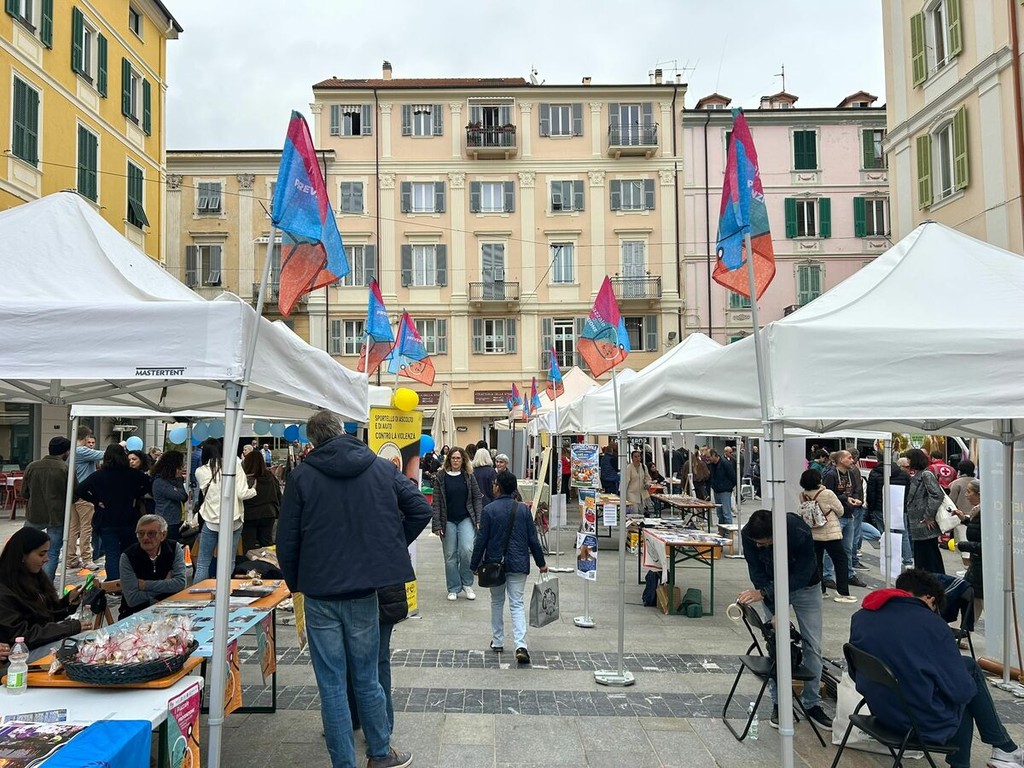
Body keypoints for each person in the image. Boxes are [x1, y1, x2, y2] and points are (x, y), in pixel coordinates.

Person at [278, 409, 431, 768]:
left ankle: (344, 763)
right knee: (367, 677)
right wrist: (389, 548)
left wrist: (297, 582)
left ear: (314, 440)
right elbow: (419, 510)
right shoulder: (380, 468)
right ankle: (379, 753)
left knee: (332, 684)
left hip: (320, 591)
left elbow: (286, 540)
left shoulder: (302, 477)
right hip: (363, 588)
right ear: (342, 431)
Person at [849, 569, 1024, 768]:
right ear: (929, 598)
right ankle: (1001, 749)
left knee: (965, 672)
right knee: (966, 683)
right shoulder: (932, 625)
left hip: (880, 709)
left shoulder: (862, 616)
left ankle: (1002, 750)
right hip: (916, 722)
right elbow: (961, 691)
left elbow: (856, 672)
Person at [737, 508, 832, 731]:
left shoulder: (798, 530)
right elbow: (756, 571)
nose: (758, 546)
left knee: (812, 645)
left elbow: (804, 572)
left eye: (763, 543)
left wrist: (766, 592)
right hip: (770, 586)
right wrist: (774, 609)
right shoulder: (748, 534)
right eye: (756, 542)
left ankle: (811, 703)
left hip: (807, 587)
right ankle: (779, 704)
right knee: (776, 645)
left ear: (774, 536)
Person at [470, 470, 547, 665]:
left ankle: (497, 640)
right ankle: (521, 645)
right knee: (517, 603)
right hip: (518, 562)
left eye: (495, 484)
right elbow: (533, 539)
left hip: (495, 563)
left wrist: (474, 564)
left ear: (498, 487)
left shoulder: (489, 510)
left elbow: (481, 540)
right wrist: (541, 563)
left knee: (497, 602)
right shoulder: (523, 510)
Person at [75, 444, 150, 582]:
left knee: (111, 554)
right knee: (129, 552)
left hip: (106, 519)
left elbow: (80, 489)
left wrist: (96, 500)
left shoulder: (98, 475)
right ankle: (129, 579)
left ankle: (114, 582)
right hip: (128, 518)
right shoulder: (133, 474)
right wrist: (136, 494)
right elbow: (148, 484)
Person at [0, 527, 82, 650]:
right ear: (22, 556)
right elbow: (21, 635)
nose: (47, 559)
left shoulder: (34, 577)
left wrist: (67, 602)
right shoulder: (4, 591)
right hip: (23, 653)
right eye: (41, 554)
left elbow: (46, 615)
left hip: (40, 644)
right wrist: (69, 627)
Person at [193, 439, 256, 583]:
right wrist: (253, 490)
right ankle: (225, 591)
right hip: (234, 519)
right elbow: (242, 493)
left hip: (211, 520)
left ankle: (198, 593)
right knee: (229, 560)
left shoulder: (200, 471)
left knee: (203, 563)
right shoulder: (234, 465)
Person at [431, 447, 483, 601]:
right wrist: (436, 524)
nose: (455, 460)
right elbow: (436, 502)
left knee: (467, 550)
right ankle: (453, 587)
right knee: (450, 555)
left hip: (465, 518)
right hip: (447, 520)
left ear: (463, 460)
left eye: (458, 458)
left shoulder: (469, 476)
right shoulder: (441, 477)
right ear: (449, 459)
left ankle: (467, 583)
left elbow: (477, 497)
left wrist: (479, 519)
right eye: (453, 458)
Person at [798, 469, 855, 603]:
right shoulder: (827, 493)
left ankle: (821, 590)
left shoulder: (803, 495)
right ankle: (843, 592)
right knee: (841, 560)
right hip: (830, 533)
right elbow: (840, 511)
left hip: (813, 533)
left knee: (817, 562)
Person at [118, 514, 187, 619]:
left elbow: (180, 583)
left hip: (171, 610)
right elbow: (132, 599)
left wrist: (145, 585)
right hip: (136, 615)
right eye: (141, 533)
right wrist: (166, 584)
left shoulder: (174, 548)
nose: (145, 537)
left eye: (151, 533)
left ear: (163, 535)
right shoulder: (128, 556)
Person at [22, 437, 72, 581]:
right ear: (65, 452)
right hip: (57, 516)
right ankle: (46, 584)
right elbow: (73, 495)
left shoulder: (32, 466)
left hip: (34, 514)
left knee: (26, 547)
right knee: (52, 552)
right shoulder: (65, 469)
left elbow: (24, 493)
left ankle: (26, 580)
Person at [821, 451, 868, 590]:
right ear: (841, 460)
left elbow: (855, 490)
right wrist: (846, 498)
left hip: (849, 514)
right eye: (849, 458)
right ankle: (827, 576)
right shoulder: (831, 475)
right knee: (831, 547)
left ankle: (848, 574)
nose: (852, 460)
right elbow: (828, 495)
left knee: (848, 547)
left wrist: (855, 499)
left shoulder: (851, 474)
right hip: (835, 516)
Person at [905, 447, 946, 574]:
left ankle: (932, 579)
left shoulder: (926, 474)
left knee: (928, 555)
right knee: (924, 554)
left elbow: (937, 495)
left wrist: (929, 516)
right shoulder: (920, 474)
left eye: (909, 459)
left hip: (924, 522)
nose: (907, 461)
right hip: (919, 522)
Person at [69, 426, 104, 571]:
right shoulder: (81, 450)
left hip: (73, 494)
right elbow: (104, 454)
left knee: (73, 527)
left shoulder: (72, 451)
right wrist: (121, 445)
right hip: (85, 495)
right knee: (86, 527)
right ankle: (87, 559)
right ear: (85, 437)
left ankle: (71, 558)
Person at [241, 449, 280, 551]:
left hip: (250, 515)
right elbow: (278, 495)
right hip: (268, 513)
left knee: (249, 547)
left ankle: (250, 561)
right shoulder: (270, 477)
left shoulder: (245, 479)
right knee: (267, 545)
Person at [957, 479, 984, 622]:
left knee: (977, 601)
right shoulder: (977, 511)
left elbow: (987, 545)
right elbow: (978, 531)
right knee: (972, 601)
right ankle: (965, 630)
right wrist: (964, 519)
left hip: (982, 567)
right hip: (976, 565)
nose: (966, 495)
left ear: (979, 494)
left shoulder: (986, 513)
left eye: (969, 492)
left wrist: (964, 545)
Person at [150, 450, 188, 543]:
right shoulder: (161, 482)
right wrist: (179, 480)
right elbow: (182, 496)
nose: (182, 467)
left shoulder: (168, 480)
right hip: (167, 520)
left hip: (173, 519)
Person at [708, 449, 736, 524]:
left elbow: (733, 477)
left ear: (714, 455)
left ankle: (728, 530)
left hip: (725, 491)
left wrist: (728, 487)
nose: (708, 459)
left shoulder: (725, 464)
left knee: (726, 513)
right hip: (716, 490)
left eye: (709, 457)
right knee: (719, 513)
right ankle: (721, 529)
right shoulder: (711, 465)